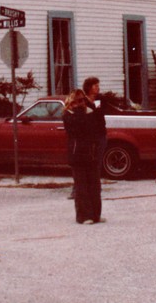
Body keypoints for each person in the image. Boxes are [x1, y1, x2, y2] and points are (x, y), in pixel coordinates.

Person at [63, 89, 103, 225]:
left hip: (91, 153)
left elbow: (99, 127)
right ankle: (83, 216)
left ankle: (96, 214)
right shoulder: (68, 115)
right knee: (82, 187)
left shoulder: (89, 112)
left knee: (94, 185)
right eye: (79, 101)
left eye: (83, 100)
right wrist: (83, 111)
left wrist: (94, 109)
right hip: (77, 154)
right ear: (73, 102)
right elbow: (77, 128)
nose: (82, 103)